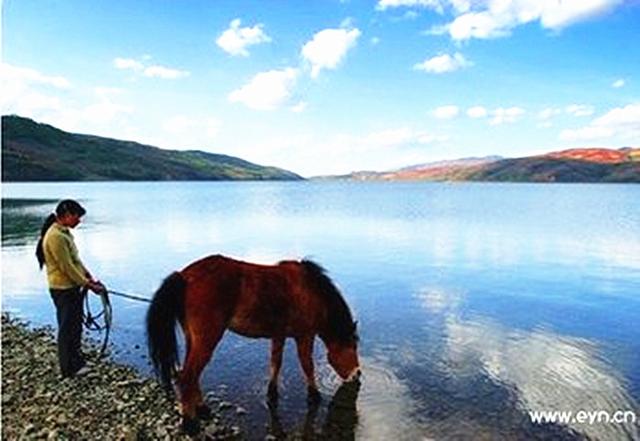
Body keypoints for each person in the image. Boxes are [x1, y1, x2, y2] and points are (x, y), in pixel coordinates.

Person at [36, 199, 105, 378]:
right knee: (68, 327)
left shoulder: (64, 232)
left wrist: (88, 276)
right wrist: (88, 284)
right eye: (76, 217)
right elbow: (66, 267)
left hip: (71, 287)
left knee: (75, 326)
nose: (79, 221)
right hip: (63, 289)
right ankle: (69, 368)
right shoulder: (55, 237)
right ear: (66, 215)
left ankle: (76, 360)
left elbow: (76, 261)